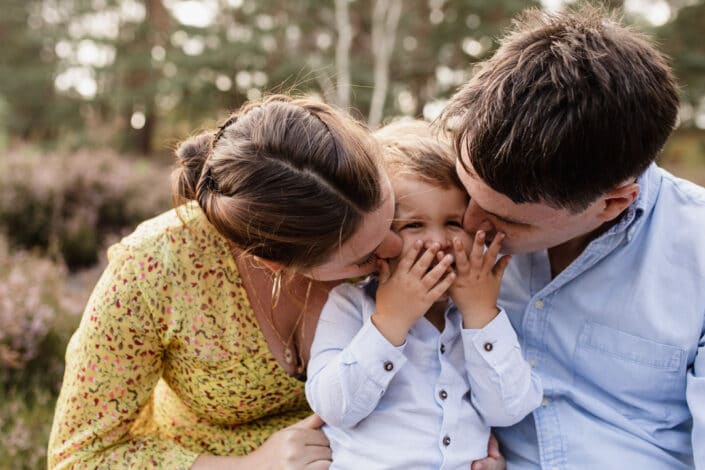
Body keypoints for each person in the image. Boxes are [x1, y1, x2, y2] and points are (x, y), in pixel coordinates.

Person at [47, 95, 403, 469]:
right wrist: (250, 466)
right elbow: (81, 456)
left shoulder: (412, 186)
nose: (397, 249)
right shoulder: (154, 268)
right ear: (274, 262)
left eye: (397, 217)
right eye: (364, 256)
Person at [439, 5, 704, 469]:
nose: (469, 223)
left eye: (509, 221)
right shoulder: (432, 204)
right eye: (467, 186)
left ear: (613, 202)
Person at [305, 120, 542, 469]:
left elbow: (508, 411)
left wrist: (480, 316)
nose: (438, 241)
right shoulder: (350, 304)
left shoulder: (487, 309)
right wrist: (390, 321)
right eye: (414, 225)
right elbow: (334, 408)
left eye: (454, 222)